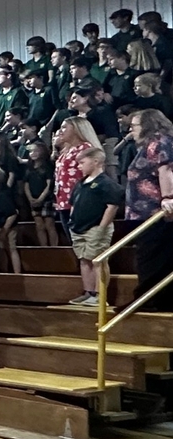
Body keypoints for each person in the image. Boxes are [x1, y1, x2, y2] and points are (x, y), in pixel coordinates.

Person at [125, 110, 173, 312]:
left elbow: (167, 169)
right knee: (151, 256)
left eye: (134, 125)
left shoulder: (160, 142)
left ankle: (149, 300)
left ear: (148, 124)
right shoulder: (148, 145)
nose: (130, 129)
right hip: (143, 212)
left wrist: (168, 197)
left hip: (154, 212)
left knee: (151, 257)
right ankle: (153, 299)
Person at [68, 148, 123, 306]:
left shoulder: (105, 183)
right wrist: (72, 220)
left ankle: (101, 295)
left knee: (98, 261)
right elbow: (73, 204)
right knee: (84, 260)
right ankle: (89, 292)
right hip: (79, 228)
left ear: (96, 162)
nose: (79, 166)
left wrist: (102, 227)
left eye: (82, 162)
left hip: (95, 227)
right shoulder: (80, 183)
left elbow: (112, 206)